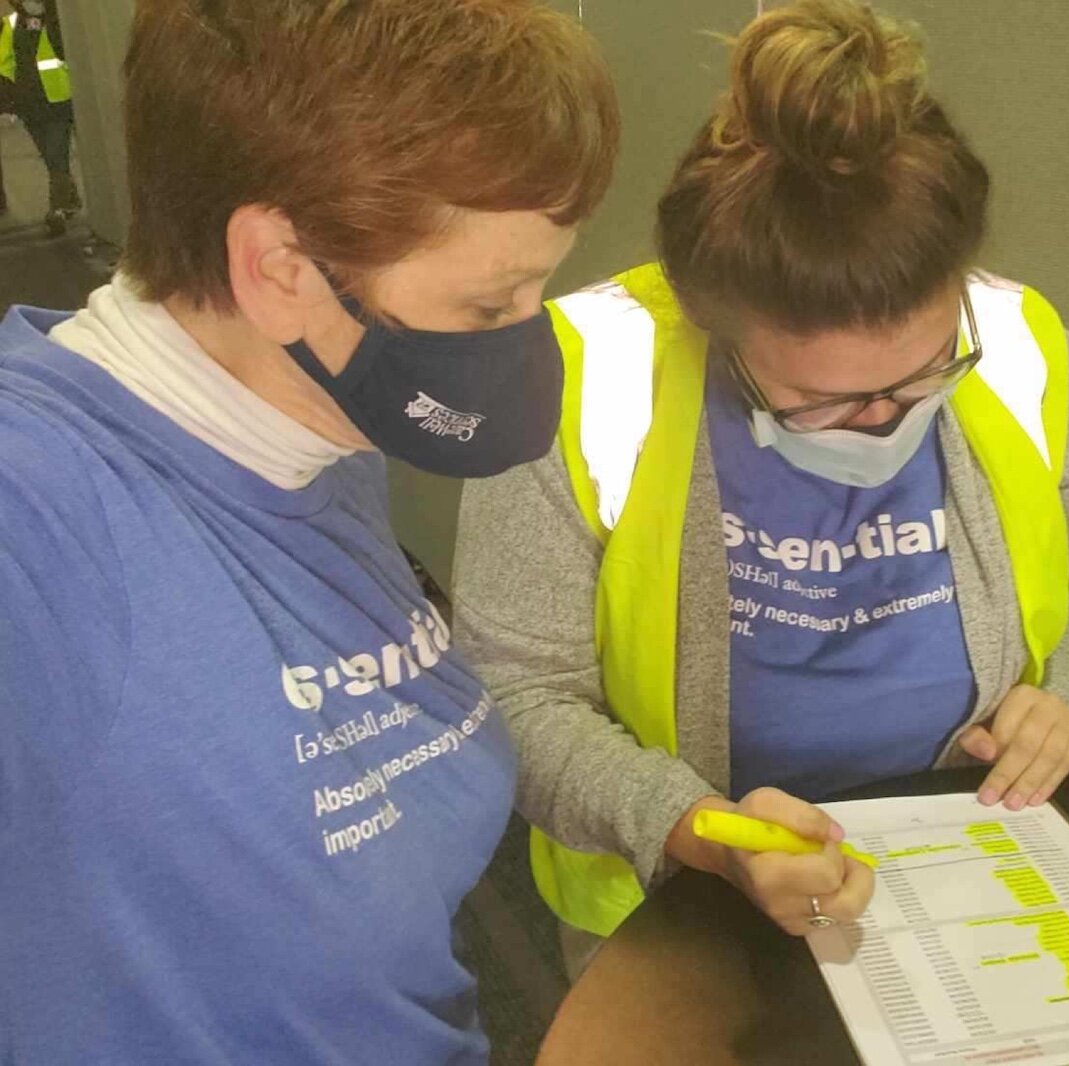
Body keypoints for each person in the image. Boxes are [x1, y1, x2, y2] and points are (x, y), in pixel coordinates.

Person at [452, 0, 1069, 975]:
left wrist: (1062, 695)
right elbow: (515, 690)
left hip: (971, 860)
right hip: (678, 905)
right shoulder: (570, 379)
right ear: (710, 321)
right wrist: (702, 831)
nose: (883, 425)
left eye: (921, 376)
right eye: (819, 401)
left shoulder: (1019, 343)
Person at [0, 1, 616, 1062]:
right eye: (488, 305)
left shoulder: (313, 437)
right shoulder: (39, 504)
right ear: (279, 268)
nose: (527, 340)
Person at [0, 0, 80, 234]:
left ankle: (57, 209)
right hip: (29, 106)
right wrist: (8, 102)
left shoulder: (58, 22)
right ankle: (70, 198)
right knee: (50, 157)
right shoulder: (10, 25)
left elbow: (68, 53)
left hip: (58, 101)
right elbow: (4, 67)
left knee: (56, 155)